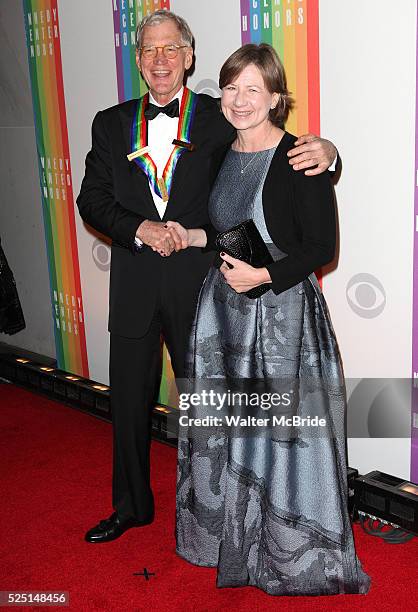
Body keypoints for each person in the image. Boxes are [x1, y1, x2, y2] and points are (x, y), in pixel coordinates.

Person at [77, 9, 338, 544]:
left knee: (210, 407)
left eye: (171, 49)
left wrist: (330, 155)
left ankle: (218, 513)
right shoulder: (109, 122)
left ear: (189, 56)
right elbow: (92, 200)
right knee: (127, 402)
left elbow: (275, 142)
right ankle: (131, 507)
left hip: (205, 288)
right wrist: (140, 228)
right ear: (140, 60)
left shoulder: (221, 115)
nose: (160, 60)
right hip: (132, 283)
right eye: (149, 50)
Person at [174, 44, 371, 596]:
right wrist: (192, 238)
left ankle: (287, 551)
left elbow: (321, 248)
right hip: (224, 315)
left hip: (281, 316)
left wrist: (263, 279)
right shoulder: (219, 154)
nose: (239, 100)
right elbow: (227, 229)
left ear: (276, 98)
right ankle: (228, 538)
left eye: (253, 89)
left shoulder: (299, 157)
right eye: (231, 87)